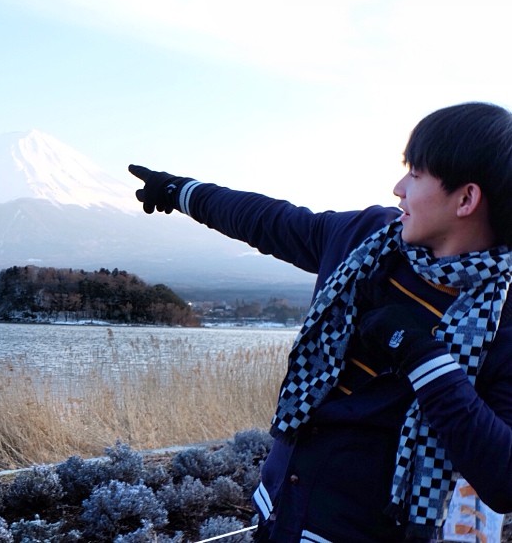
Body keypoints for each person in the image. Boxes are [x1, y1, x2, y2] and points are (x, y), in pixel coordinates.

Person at [128, 101, 512, 543]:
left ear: (466, 199)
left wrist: (423, 357)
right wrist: (179, 191)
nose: (398, 188)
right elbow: (269, 221)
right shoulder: (365, 239)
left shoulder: (503, 320)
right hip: (278, 509)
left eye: (417, 174)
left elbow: (502, 478)